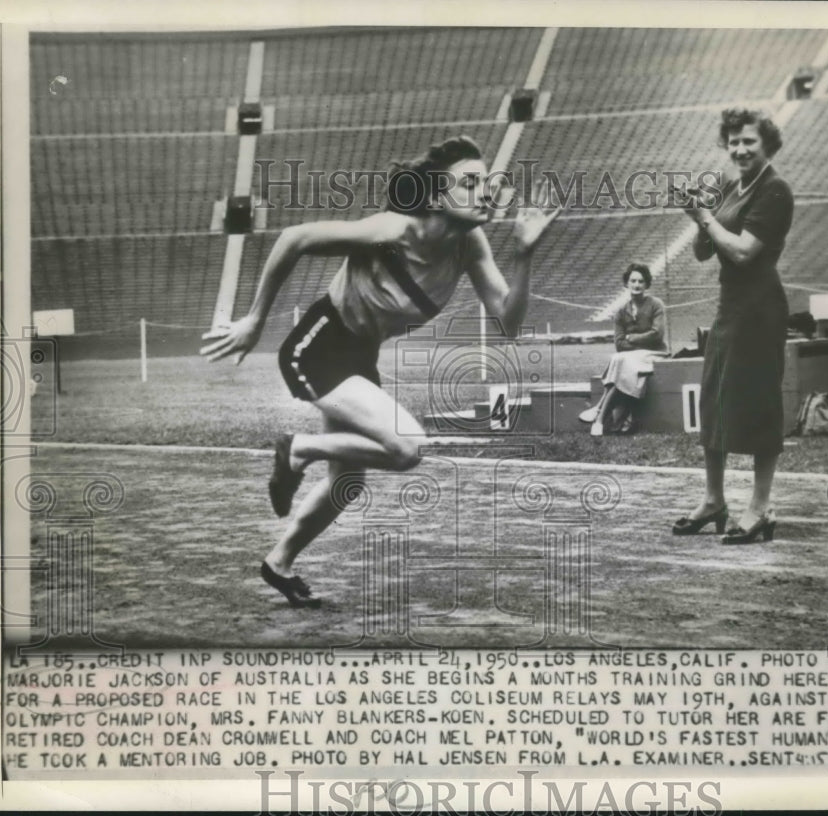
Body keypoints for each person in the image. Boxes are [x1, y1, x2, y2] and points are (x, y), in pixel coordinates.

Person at [200, 136, 560, 606]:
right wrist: (254, 320)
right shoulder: (394, 229)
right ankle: (298, 449)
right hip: (319, 346)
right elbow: (295, 239)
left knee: (346, 482)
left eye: (485, 182)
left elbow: (508, 323)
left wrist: (524, 255)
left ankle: (279, 564)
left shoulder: (469, 246)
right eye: (469, 183)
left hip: (359, 358)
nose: (486, 191)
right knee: (407, 446)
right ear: (434, 196)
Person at [672, 108, 793, 545]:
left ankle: (761, 506)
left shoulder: (776, 190)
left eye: (750, 142)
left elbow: (743, 253)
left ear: (767, 146)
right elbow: (706, 253)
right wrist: (698, 217)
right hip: (731, 304)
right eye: (734, 142)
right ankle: (714, 499)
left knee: (759, 402)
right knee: (713, 400)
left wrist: (705, 218)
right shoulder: (729, 185)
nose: (740, 149)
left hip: (760, 308)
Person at [579, 263, 668, 436]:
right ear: (627, 284)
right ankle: (600, 416)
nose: (636, 285)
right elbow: (619, 344)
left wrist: (632, 338)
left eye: (641, 281)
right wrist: (638, 340)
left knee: (622, 360)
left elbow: (657, 335)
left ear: (646, 285)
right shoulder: (621, 311)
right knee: (618, 358)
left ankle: (599, 414)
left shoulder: (656, 304)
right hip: (631, 357)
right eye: (633, 281)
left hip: (656, 353)